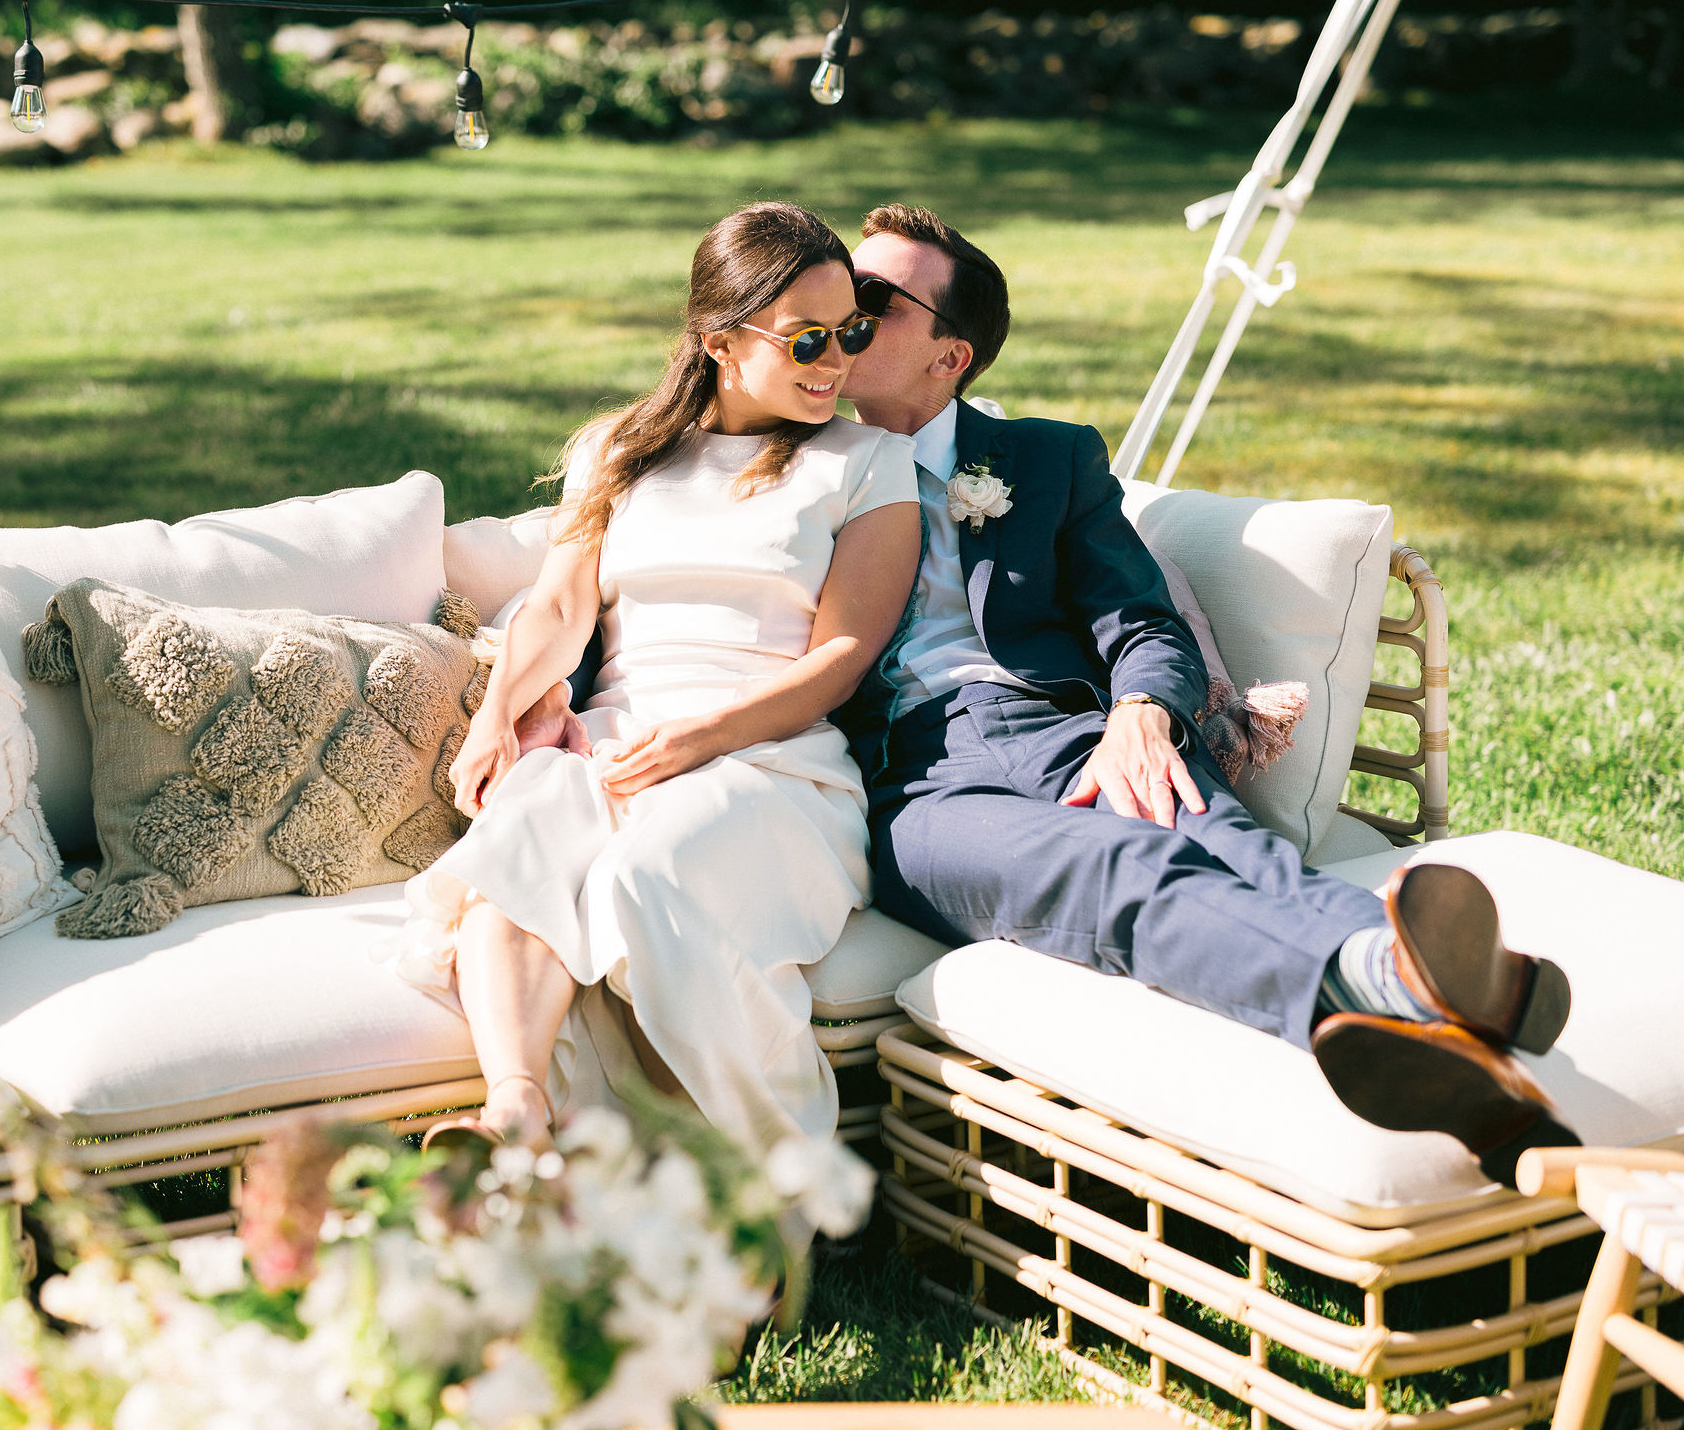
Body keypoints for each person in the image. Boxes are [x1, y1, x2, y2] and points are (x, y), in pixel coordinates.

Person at [824, 202, 1577, 1184]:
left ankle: (1485, 1098)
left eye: (872, 300)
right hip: (919, 785)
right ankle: (1401, 979)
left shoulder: (1042, 461)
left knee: (1228, 847)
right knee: (1117, 872)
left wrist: (1141, 711)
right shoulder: (782, 461)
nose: (841, 312)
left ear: (948, 356)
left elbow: (1138, 618)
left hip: (1071, 733)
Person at [392, 202, 921, 1158]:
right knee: (524, 836)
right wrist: (496, 718)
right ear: (720, 340)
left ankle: (759, 1176)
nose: (837, 362)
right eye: (809, 338)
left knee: (647, 874)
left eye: (851, 332)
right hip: (619, 745)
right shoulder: (621, 450)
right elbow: (559, 610)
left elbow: (839, 658)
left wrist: (704, 738)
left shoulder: (870, 463)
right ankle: (515, 1111)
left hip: (774, 763)